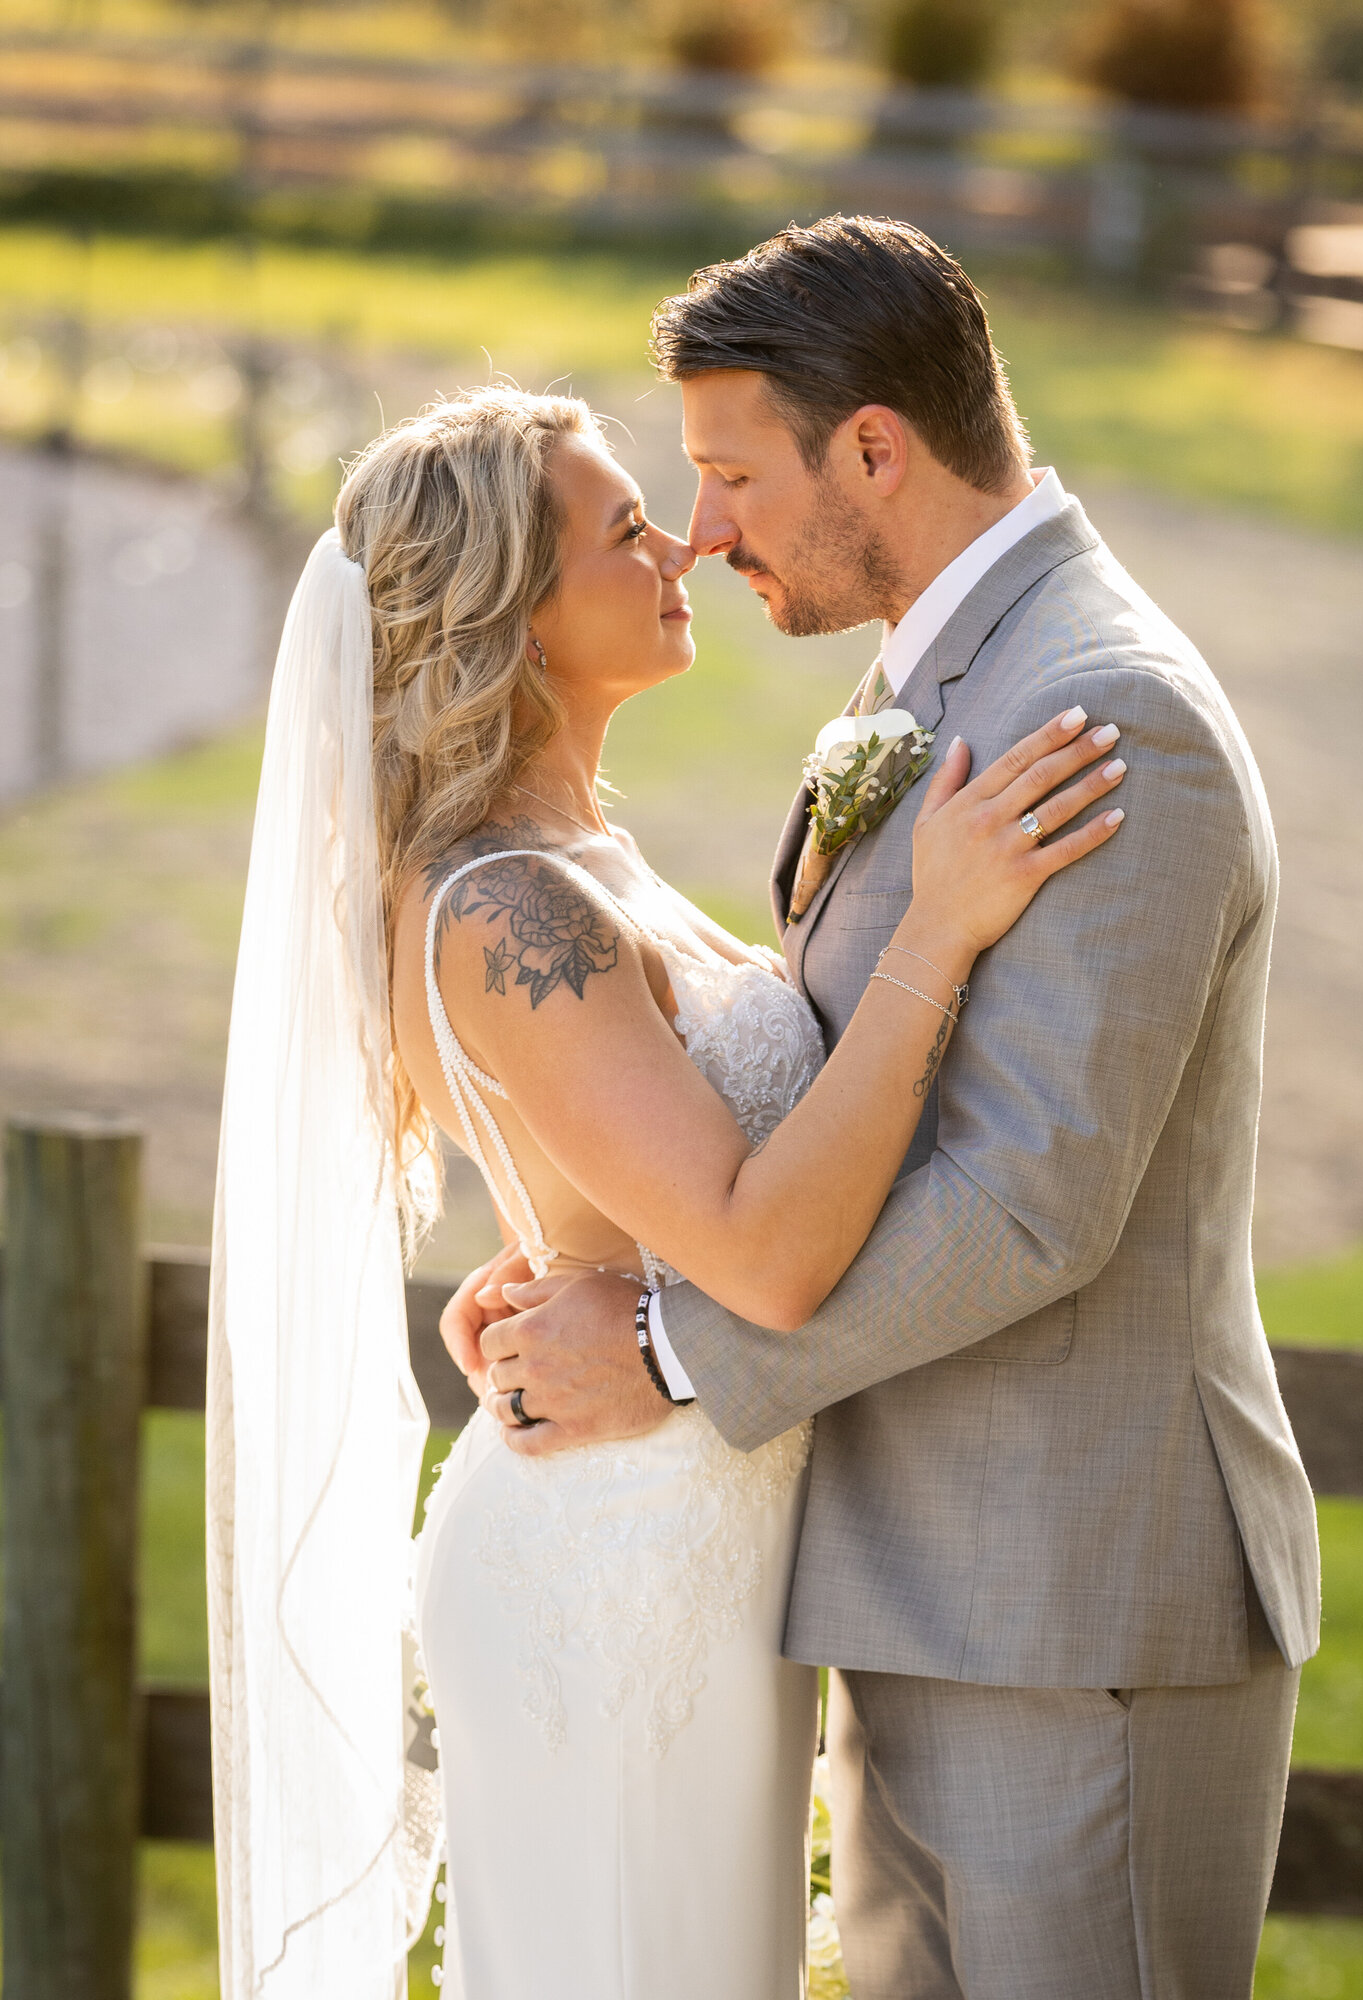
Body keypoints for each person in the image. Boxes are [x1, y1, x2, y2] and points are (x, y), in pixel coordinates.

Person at [453, 215, 1322, 1999]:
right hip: (915, 1593)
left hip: (1077, 1619)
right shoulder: (934, 676)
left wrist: (675, 1354)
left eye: (728, 477)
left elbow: (1032, 1201)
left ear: (873, 449)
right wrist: (582, 1247)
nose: (702, 533)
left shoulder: (1101, 713)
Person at [205, 377, 1126, 1998]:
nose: (685, 546)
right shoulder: (503, 907)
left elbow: (635, 1195)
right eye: (627, 531)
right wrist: (939, 923)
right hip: (608, 1577)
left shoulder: (577, 857)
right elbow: (766, 1260)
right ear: (516, 613)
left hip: (700, 1547)